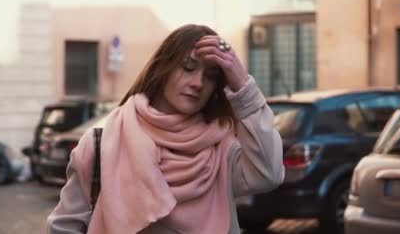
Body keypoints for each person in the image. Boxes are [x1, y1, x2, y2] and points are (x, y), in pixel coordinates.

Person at [47, 24, 285, 234]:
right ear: (164, 68)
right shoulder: (103, 144)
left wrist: (242, 83)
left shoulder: (222, 149)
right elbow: (63, 227)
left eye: (210, 76)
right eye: (188, 68)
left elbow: (269, 174)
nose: (198, 83)